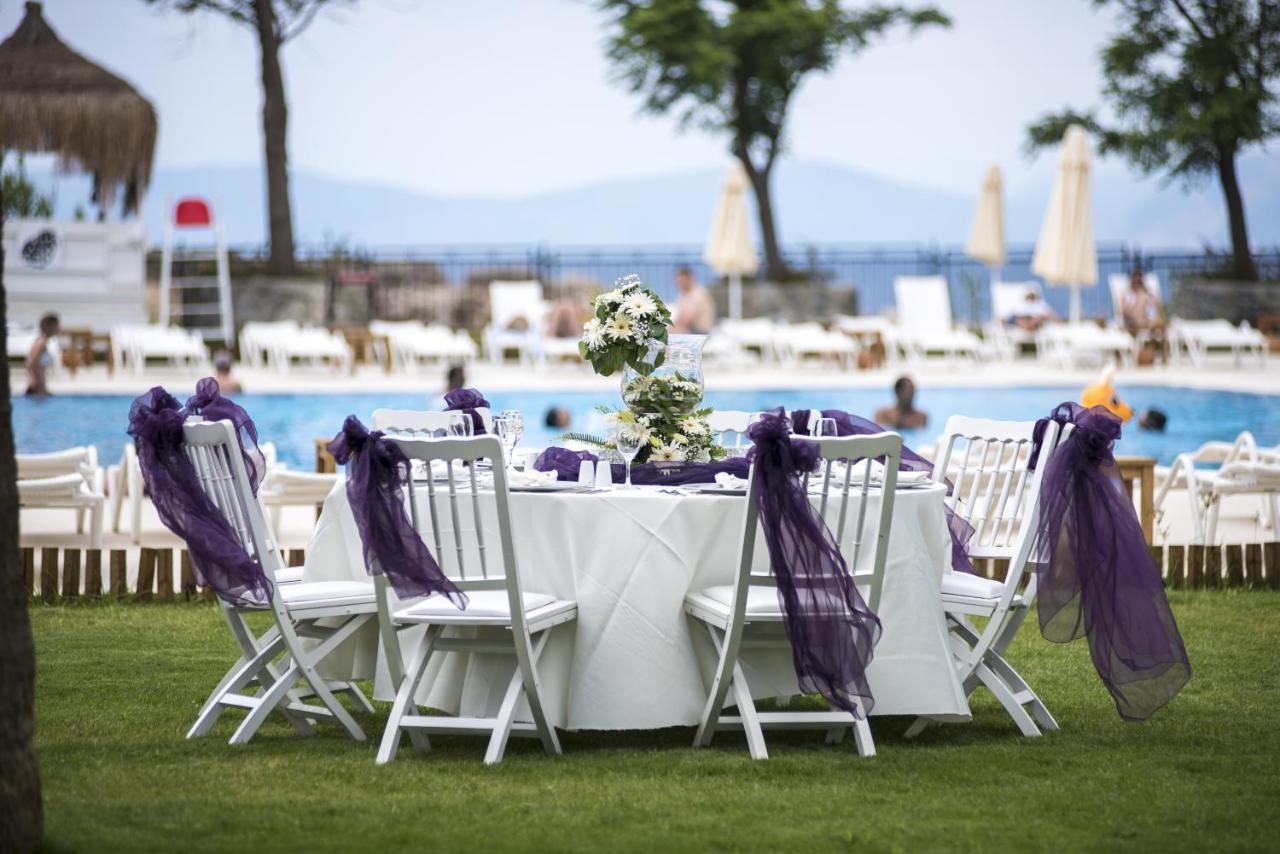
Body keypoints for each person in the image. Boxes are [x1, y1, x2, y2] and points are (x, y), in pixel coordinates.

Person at [670, 267, 715, 334]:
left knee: (675, 332)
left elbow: (687, 319)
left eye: (682, 281)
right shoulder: (683, 295)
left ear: (689, 279)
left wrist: (671, 328)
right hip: (691, 329)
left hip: (701, 331)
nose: (679, 284)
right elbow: (680, 317)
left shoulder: (699, 293)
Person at [24, 313, 59, 397]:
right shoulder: (41, 343)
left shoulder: (44, 342)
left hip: (40, 388)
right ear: (49, 327)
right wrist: (35, 383)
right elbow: (31, 363)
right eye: (56, 326)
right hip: (37, 388)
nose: (58, 328)